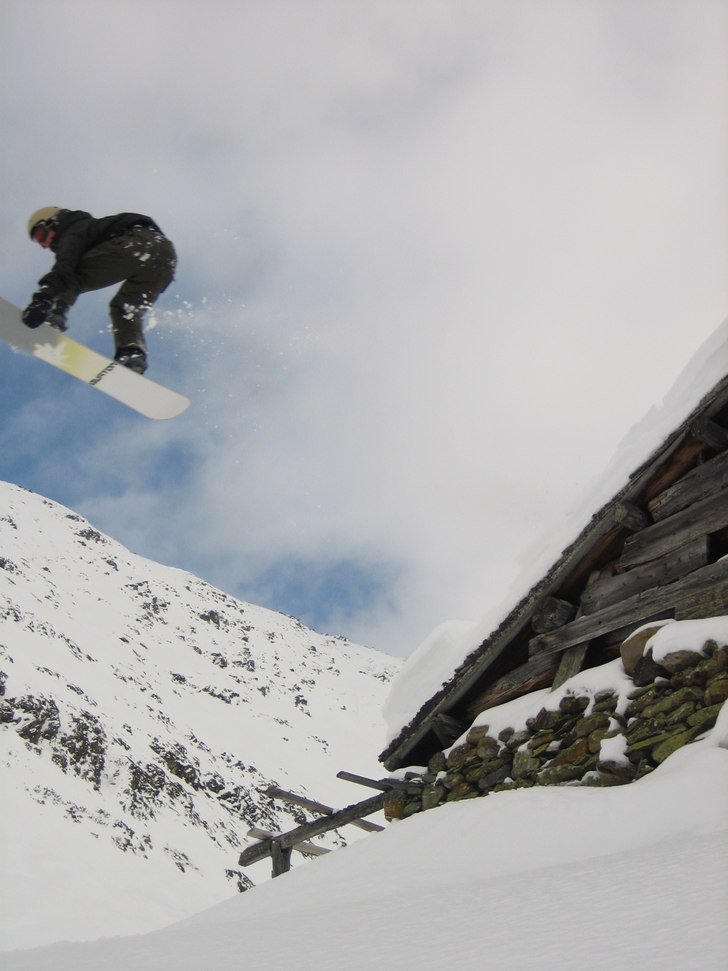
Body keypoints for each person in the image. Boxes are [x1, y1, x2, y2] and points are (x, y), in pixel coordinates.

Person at [23, 207, 177, 374]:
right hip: (165, 256)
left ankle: (52, 316)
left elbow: (64, 269)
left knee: (70, 275)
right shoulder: (86, 228)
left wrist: (43, 299)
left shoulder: (72, 229)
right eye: (38, 242)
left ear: (54, 222)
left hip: (137, 243)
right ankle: (131, 355)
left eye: (40, 235)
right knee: (125, 308)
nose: (44, 244)